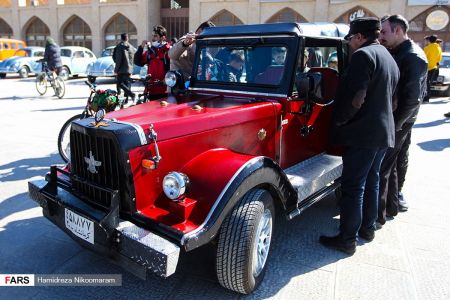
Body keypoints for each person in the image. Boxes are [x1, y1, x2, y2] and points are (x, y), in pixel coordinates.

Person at [319, 17, 400, 254]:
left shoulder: (363, 56)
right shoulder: (388, 57)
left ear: (359, 37)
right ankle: (367, 227)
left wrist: (342, 120)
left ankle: (347, 239)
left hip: (363, 134)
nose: (351, 44)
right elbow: (393, 100)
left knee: (353, 186)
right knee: (372, 180)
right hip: (383, 132)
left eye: (352, 39)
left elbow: (357, 97)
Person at [377, 15, 428, 224]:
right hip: (398, 119)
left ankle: (378, 213)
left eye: (384, 32)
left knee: (384, 166)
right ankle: (392, 205)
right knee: (393, 162)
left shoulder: (413, 56)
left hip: (400, 120)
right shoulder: (400, 52)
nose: (381, 37)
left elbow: (412, 99)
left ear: (398, 31)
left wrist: (395, 126)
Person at [135, 25, 171, 101]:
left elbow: (174, 68)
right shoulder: (150, 51)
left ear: (163, 38)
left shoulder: (168, 50)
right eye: (152, 36)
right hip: (151, 90)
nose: (153, 38)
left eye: (155, 36)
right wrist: (141, 47)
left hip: (165, 90)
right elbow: (138, 62)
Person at [113, 33, 136, 103]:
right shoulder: (131, 47)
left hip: (121, 69)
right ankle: (126, 100)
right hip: (129, 69)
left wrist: (116, 69)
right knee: (127, 84)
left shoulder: (119, 46)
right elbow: (133, 58)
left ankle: (132, 95)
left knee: (120, 84)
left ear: (121, 38)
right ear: (127, 38)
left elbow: (118, 59)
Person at [423, 35, 442, 103]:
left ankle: (425, 98)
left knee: (425, 83)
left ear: (429, 40)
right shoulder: (438, 48)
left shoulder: (427, 48)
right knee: (429, 83)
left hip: (427, 67)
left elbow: (423, 57)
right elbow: (439, 59)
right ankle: (427, 97)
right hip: (434, 67)